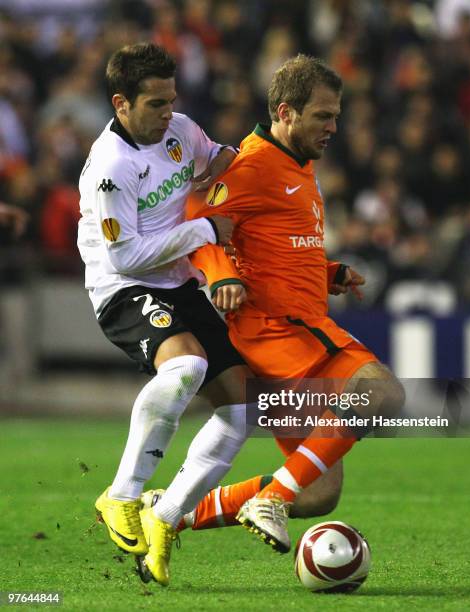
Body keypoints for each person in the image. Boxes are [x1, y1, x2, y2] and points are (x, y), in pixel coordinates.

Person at [144, 54, 405, 554]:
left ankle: (172, 512)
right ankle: (272, 499)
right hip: (279, 332)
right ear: (286, 112)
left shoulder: (297, 164)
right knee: (384, 393)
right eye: (323, 116)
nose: (334, 126)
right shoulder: (252, 164)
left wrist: (328, 272)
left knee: (320, 493)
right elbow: (199, 218)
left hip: (295, 327)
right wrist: (221, 274)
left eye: (337, 115)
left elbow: (275, 243)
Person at [78, 42, 254, 587]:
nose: (167, 113)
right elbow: (125, 255)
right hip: (123, 286)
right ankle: (122, 495)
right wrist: (205, 231)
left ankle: (166, 514)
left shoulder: (179, 130)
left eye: (171, 100)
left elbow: (219, 163)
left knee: (241, 408)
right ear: (121, 103)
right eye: (155, 104)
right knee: (186, 367)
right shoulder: (110, 168)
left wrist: (260, 157)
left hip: (176, 283)